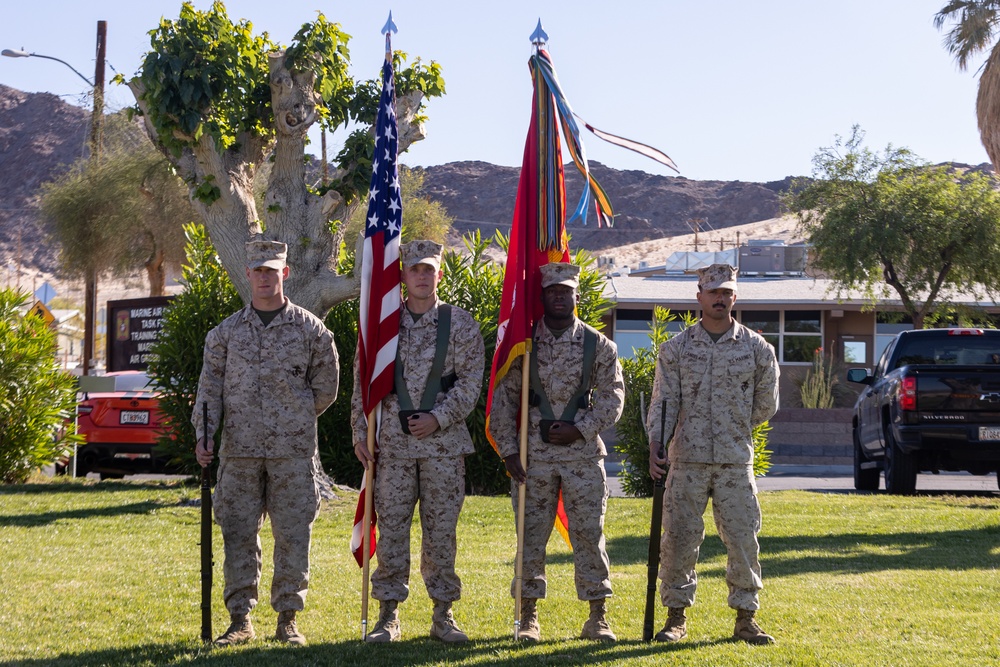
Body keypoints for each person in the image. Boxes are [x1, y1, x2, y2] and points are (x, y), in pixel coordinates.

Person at [193, 240, 340, 647]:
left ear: (284, 274)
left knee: (293, 535)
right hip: (237, 453)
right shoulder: (224, 334)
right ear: (248, 274)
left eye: (271, 270)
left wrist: (294, 416)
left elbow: (327, 386)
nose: (263, 277)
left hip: (292, 454)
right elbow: (209, 392)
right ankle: (240, 619)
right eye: (257, 270)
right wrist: (205, 436)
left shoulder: (311, 329)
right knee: (238, 533)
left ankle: (288, 619)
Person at [352, 240, 485, 644]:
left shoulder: (460, 323)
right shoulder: (384, 324)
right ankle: (387, 616)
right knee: (391, 530)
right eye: (415, 270)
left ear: (438, 273)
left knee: (441, 533)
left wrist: (438, 418)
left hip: (443, 447)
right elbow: (364, 382)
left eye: (429, 269)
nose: (422, 276)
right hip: (391, 447)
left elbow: (471, 382)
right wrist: (361, 431)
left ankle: (443, 615)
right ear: (403, 274)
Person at [646, 263, 779, 646]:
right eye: (713, 291)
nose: (720, 298)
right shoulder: (676, 349)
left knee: (742, 540)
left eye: (727, 292)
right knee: (679, 539)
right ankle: (675, 618)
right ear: (699, 296)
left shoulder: (757, 349)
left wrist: (731, 427)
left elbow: (764, 406)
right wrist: (658, 443)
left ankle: (745, 619)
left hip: (735, 461)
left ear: (735, 297)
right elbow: (663, 402)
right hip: (686, 459)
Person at [494, 262, 625, 643]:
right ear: (542, 297)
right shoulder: (523, 344)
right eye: (552, 291)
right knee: (530, 537)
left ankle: (597, 616)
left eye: (565, 291)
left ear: (576, 297)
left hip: (582, 458)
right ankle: (528, 617)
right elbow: (504, 401)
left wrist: (579, 429)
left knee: (589, 534)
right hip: (532, 457)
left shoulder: (599, 346)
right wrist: (508, 451)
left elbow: (613, 398)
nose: (558, 297)